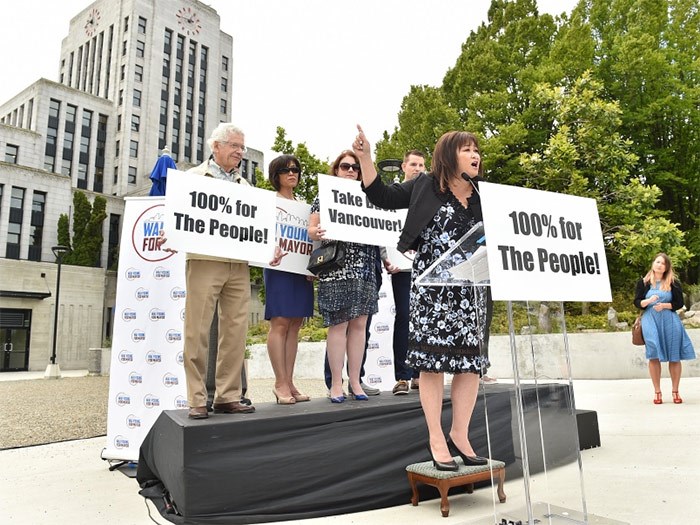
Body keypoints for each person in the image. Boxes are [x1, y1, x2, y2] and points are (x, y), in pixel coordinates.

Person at [354, 125, 491, 471]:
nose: (475, 155)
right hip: (433, 292)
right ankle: (435, 437)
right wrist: (365, 158)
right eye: (466, 150)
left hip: (473, 292)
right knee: (432, 364)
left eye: (476, 150)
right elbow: (381, 196)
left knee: (470, 365)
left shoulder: (483, 195)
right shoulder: (424, 186)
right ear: (448, 155)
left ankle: (460, 434)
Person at [183, 123, 284, 419]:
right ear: (216, 146)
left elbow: (258, 227)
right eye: (235, 146)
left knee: (235, 331)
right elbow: (178, 215)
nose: (240, 152)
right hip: (204, 261)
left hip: (238, 266)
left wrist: (270, 248)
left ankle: (228, 395)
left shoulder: (247, 188)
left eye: (242, 147)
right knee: (197, 331)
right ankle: (197, 398)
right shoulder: (192, 178)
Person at [308, 150, 380, 403]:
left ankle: (355, 381)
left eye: (355, 168)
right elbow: (312, 230)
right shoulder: (324, 197)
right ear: (336, 170)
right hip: (336, 266)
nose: (350, 171)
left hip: (365, 265)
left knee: (360, 326)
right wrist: (317, 231)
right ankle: (336, 383)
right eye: (345, 166)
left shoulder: (371, 197)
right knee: (338, 325)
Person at [264, 155, 315, 404]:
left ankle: (290, 380)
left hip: (300, 270)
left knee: (295, 323)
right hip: (278, 267)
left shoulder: (304, 206)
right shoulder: (268, 203)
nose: (291, 173)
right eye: (286, 170)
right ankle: (279, 382)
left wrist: (312, 267)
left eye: (295, 169)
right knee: (280, 322)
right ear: (276, 175)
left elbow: (309, 241)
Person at [386, 150, 426, 395]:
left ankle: (421, 374)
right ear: (403, 167)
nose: (418, 168)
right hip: (400, 267)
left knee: (423, 320)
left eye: (422, 165)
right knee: (404, 318)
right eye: (413, 164)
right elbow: (378, 227)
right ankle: (402, 376)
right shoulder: (393, 194)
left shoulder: (429, 195)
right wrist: (384, 258)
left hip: (425, 267)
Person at [633, 253, 695, 405]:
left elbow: (679, 303)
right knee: (653, 353)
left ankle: (675, 391)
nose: (659, 265)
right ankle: (657, 392)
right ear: (653, 264)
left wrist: (665, 305)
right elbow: (636, 301)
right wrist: (648, 301)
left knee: (674, 355)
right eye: (657, 262)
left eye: (663, 263)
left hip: (670, 320)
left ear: (667, 267)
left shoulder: (673, 282)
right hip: (650, 320)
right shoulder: (644, 282)